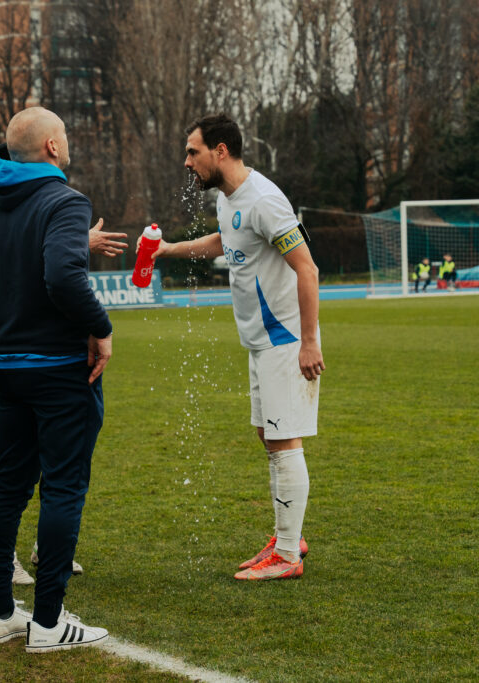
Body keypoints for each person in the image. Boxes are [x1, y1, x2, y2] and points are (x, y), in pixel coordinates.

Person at [146, 113, 319, 581]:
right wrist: (168, 251)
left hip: (284, 340)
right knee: (269, 437)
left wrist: (308, 343)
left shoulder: (264, 200)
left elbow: (307, 268)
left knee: (283, 441)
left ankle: (286, 556)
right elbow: (225, 241)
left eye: (192, 151)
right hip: (260, 343)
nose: (187, 161)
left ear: (220, 150)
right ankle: (290, 538)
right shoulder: (230, 199)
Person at [0, 107, 112, 652]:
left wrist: (2, 344)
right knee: (63, 488)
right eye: (66, 136)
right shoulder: (65, 201)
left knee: (7, 487)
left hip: (4, 369)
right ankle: (49, 624)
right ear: (53, 146)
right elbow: (63, 276)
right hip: (57, 371)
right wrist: (99, 328)